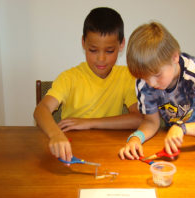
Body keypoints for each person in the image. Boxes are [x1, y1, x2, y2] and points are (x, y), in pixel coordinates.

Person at [34, 7, 141, 163]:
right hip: (70, 151)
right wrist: (56, 134)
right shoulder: (69, 77)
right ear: (83, 43)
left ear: (121, 44)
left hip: (110, 152)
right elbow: (40, 110)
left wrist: (89, 123)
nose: (101, 59)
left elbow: (139, 119)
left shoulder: (126, 76)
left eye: (109, 51)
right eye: (93, 50)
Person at [119, 22, 195, 160]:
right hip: (178, 143)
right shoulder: (143, 83)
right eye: (145, 78)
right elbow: (151, 122)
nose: (151, 83)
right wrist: (135, 138)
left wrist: (181, 128)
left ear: (175, 57)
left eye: (157, 75)